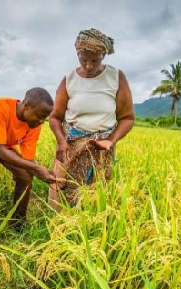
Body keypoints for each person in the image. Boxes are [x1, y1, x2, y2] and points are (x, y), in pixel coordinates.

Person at [48, 28, 135, 211]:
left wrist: (110, 141)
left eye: (95, 60)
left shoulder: (116, 77)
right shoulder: (69, 79)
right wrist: (61, 141)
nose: (88, 65)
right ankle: (60, 229)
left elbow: (127, 118)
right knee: (64, 192)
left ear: (103, 55)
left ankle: (92, 230)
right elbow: (55, 117)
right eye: (83, 59)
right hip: (71, 145)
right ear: (77, 53)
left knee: (96, 195)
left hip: (101, 148)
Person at [0, 87, 63, 228]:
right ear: (26, 105)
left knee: (26, 176)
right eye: (40, 116)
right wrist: (37, 168)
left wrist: (45, 174)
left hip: (6, 146)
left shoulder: (34, 124)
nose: (42, 121)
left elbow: (28, 159)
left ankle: (18, 221)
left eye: (44, 118)